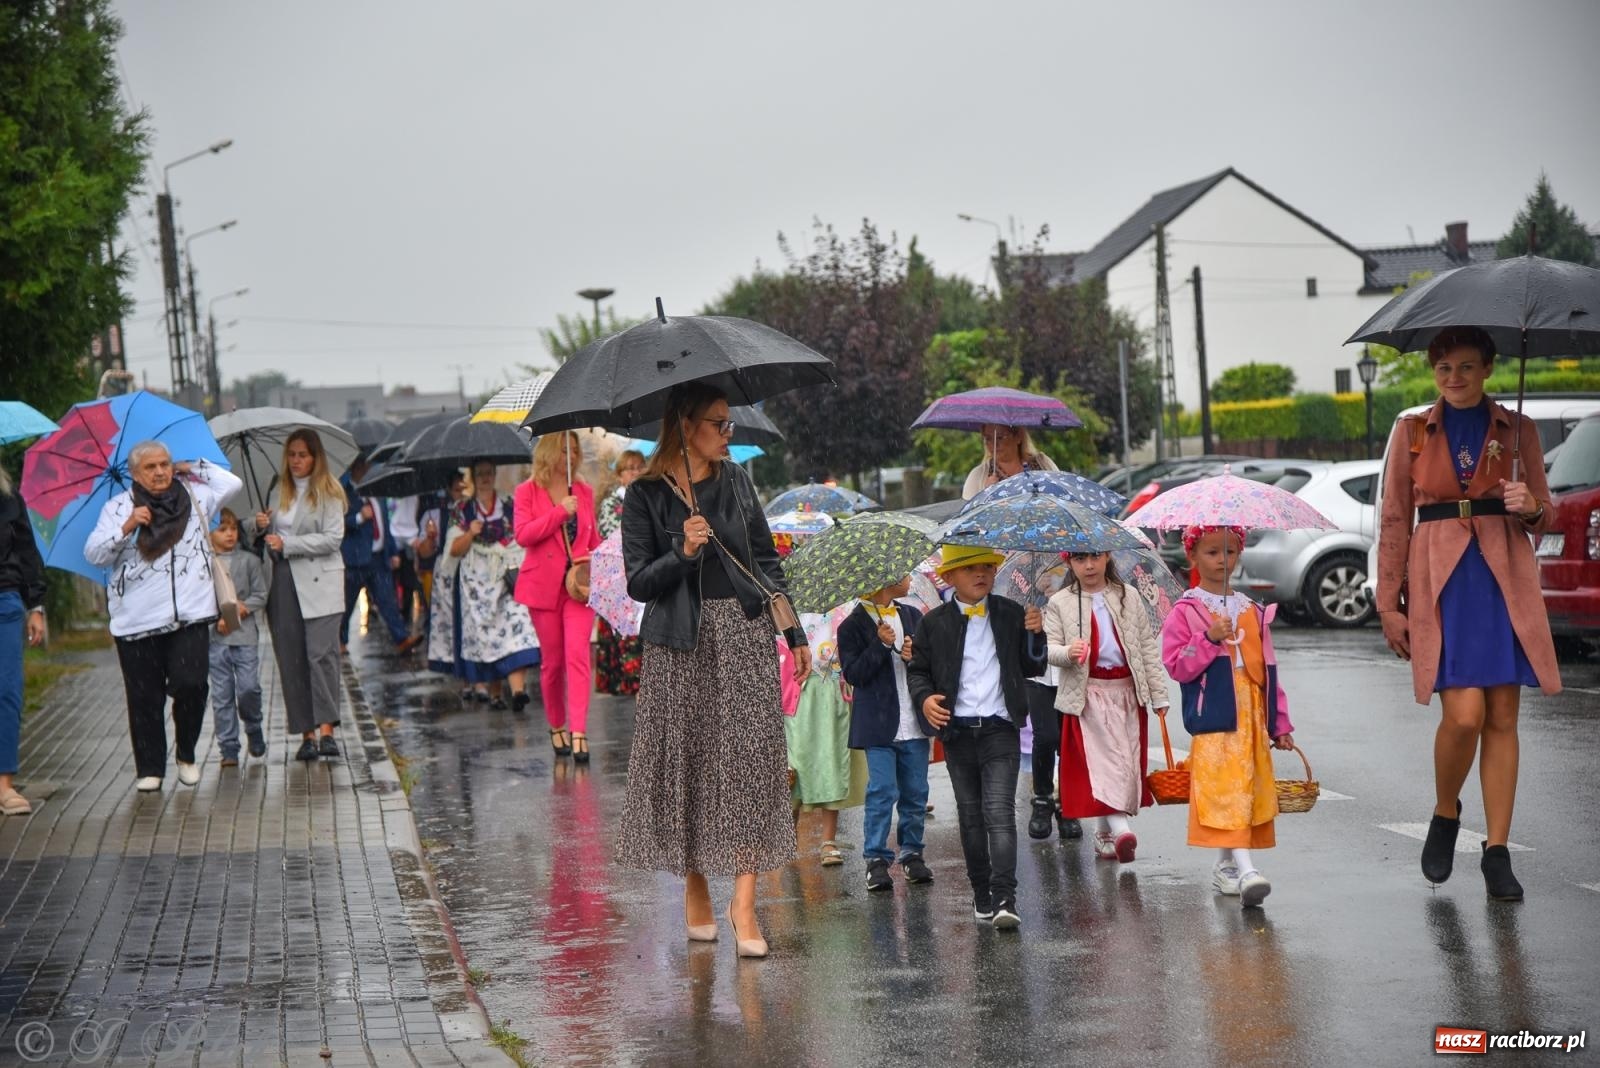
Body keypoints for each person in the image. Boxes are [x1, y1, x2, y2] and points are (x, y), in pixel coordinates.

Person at [615, 381, 811, 960]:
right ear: (684, 427)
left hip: (745, 633)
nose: (729, 433)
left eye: (729, 423)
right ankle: (696, 885)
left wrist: (793, 630)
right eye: (718, 424)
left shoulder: (737, 480)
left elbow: (766, 560)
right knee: (693, 763)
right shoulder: (645, 495)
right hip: (680, 645)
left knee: (752, 761)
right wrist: (685, 552)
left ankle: (744, 903)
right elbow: (638, 582)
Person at [1375, 326, 1560, 902]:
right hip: (1440, 583)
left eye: (1466, 367)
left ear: (1487, 369)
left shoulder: (1518, 427)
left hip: (1503, 576)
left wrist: (1531, 507)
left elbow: (1545, 512)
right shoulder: (1410, 432)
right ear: (1434, 372)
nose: (1454, 378)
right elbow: (1393, 523)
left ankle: (1497, 851)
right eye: (1444, 368)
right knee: (1463, 716)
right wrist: (1388, 603)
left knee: (1503, 715)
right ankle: (1445, 810)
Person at [85, 443, 242, 790]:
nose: (159, 472)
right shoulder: (118, 507)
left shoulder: (194, 495)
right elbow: (94, 553)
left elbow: (231, 484)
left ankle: (186, 752)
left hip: (190, 614)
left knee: (191, 685)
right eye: (151, 467)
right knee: (145, 698)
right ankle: (150, 769)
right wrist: (126, 526)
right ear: (135, 473)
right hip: (137, 620)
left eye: (165, 464)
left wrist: (193, 466)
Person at [906, 544, 1047, 931]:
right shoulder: (932, 623)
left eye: (987, 566)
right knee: (970, 817)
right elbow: (918, 671)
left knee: (999, 813)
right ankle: (982, 891)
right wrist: (925, 699)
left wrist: (1037, 634)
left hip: (1000, 728)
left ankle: (1006, 896)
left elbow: (1033, 665)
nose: (981, 573)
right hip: (958, 732)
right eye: (970, 568)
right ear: (949, 578)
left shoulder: (1011, 613)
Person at [1160, 526, 1294, 908]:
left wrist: (1279, 723)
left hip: (1250, 714)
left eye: (1230, 552)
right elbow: (1177, 666)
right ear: (1194, 557)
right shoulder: (1186, 610)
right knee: (1228, 787)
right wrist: (1209, 638)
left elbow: (1269, 669)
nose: (1222, 561)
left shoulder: (1251, 609)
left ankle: (1225, 865)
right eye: (1212, 552)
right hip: (1216, 714)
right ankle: (1248, 868)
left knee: (1245, 788)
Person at [1044, 550, 1170, 863]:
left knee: (1124, 766)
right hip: (1090, 694)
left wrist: (1159, 694)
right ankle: (1121, 827)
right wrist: (1068, 652)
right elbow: (1048, 649)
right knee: (1105, 764)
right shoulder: (1061, 601)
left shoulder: (1129, 596)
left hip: (1127, 691)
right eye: (1080, 559)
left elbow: (1145, 648)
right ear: (1069, 563)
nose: (1089, 565)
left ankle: (1103, 834)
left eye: (1095, 557)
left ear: (1108, 558)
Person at [254, 428, 348, 763]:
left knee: (320, 656)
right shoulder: (278, 489)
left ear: (315, 457)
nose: (296, 461)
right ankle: (305, 733)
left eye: (302, 455)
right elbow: (269, 538)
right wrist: (262, 525)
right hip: (283, 582)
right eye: (291, 454)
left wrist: (289, 544)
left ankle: (327, 730)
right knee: (291, 657)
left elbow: (332, 539)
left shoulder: (330, 492)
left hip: (321, 583)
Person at [838, 575, 933, 892]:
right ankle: (876, 859)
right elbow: (854, 674)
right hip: (878, 724)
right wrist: (879, 644)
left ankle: (912, 853)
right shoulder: (850, 626)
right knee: (881, 791)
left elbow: (928, 663)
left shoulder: (912, 616)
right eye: (904, 573)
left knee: (916, 792)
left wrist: (913, 655)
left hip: (913, 720)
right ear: (883, 579)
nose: (909, 578)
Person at [515, 431, 601, 757]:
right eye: (566, 450)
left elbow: (593, 539)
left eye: (575, 451)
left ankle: (579, 730)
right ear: (549, 453)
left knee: (578, 656)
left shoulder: (584, 491)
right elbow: (523, 535)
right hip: (544, 589)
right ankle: (557, 724)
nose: (572, 457)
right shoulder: (527, 492)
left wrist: (598, 556)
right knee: (552, 664)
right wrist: (559, 514)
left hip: (578, 587)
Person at [438, 460, 539, 708]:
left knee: (518, 625)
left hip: (507, 576)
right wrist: (470, 533)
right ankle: (495, 693)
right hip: (476, 583)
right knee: (488, 635)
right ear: (473, 477)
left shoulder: (508, 503)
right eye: (480, 474)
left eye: (488, 473)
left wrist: (507, 549)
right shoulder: (461, 509)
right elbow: (452, 549)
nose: (485, 478)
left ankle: (517, 692)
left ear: (494, 475)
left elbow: (522, 536)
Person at [785, 608, 867, 869]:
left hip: (831, 689)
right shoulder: (780, 606)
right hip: (794, 689)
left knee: (831, 761)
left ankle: (828, 840)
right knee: (793, 766)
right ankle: (786, 836)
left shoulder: (843, 608)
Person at [338, 457, 422, 655]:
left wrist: (392, 551)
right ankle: (340, 640)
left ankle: (401, 638)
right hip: (355, 559)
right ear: (356, 467)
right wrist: (359, 517)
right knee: (347, 603)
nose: (369, 469)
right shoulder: (344, 494)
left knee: (387, 600)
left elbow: (386, 524)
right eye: (366, 466)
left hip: (377, 558)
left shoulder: (377, 492)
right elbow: (338, 523)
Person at [0, 463, 47, 815]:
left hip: (5, 601)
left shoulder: (8, 497)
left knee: (7, 693)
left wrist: (36, 606)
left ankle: (4, 785)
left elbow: (28, 552)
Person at [1023, 561, 1081, 843]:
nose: (1050, 582)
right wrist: (1033, 630)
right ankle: (1042, 799)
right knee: (1045, 737)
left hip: (1070, 676)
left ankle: (1068, 804)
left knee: (1068, 743)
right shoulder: (1030, 603)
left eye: (1056, 578)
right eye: (1045, 578)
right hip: (1038, 678)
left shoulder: (1077, 600)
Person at [208, 509, 268, 767]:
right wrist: (217, 617)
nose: (230, 534)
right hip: (216, 639)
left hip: (244, 637)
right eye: (222, 529)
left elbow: (261, 594)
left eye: (233, 528)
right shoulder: (205, 564)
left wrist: (243, 608)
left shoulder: (249, 561)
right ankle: (228, 747)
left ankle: (253, 726)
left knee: (248, 688)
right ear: (209, 534)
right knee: (222, 695)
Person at [594, 449, 645, 697]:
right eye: (630, 468)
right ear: (620, 474)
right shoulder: (612, 504)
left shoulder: (650, 498)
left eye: (639, 467)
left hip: (645, 572)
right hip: (619, 577)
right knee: (627, 636)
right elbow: (613, 535)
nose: (636, 472)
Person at [960, 424, 1060, 500]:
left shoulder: (1042, 464)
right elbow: (967, 517)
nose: (994, 444)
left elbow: (1061, 494)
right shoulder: (978, 476)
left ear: (1018, 437)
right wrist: (985, 494)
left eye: (1000, 437)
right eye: (988, 438)